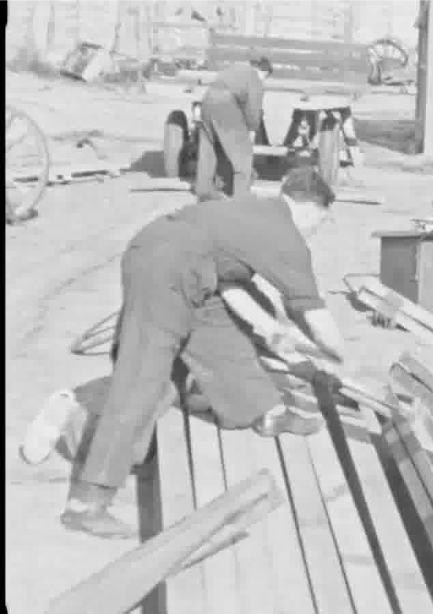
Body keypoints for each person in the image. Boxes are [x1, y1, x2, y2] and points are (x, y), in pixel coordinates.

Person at [21, 167, 348, 539]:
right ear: (311, 208)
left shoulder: (249, 211)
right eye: (321, 222)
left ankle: (265, 410)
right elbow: (313, 314)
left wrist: (269, 328)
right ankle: (86, 502)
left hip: (187, 270)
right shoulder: (285, 234)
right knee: (144, 381)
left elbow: (228, 288)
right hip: (165, 273)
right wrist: (340, 356)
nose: (316, 230)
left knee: (223, 339)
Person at [194, 57, 273, 200]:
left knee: (208, 150)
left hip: (207, 101)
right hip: (225, 105)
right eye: (265, 77)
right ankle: (241, 196)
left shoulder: (235, 67)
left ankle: (203, 190)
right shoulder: (255, 78)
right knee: (243, 154)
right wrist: (252, 129)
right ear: (264, 72)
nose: (264, 80)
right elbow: (253, 111)